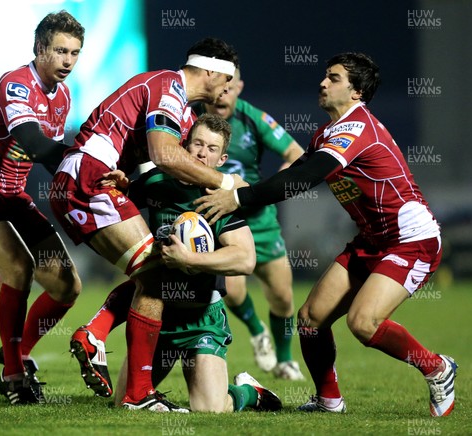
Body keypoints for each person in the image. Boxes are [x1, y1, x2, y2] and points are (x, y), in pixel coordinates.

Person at [194, 52, 457, 417]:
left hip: (412, 241)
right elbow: (293, 174)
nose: (322, 82)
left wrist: (239, 197)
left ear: (357, 92)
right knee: (311, 318)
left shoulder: (357, 127)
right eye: (325, 76)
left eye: (333, 78)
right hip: (372, 241)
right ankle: (329, 400)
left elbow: (305, 177)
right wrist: (240, 194)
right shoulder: (326, 133)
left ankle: (437, 368)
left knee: (363, 323)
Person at [49, 38, 244, 411]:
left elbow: (166, 162)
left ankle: (100, 342)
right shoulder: (168, 86)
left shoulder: (185, 113)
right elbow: (165, 155)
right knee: (156, 275)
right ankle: (126, 376)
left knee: (152, 274)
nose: (228, 89)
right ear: (211, 71)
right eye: (227, 79)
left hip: (87, 178)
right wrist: (227, 184)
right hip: (89, 174)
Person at [79, 114, 282, 412]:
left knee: (209, 408)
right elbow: (120, 210)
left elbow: (245, 258)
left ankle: (250, 391)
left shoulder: (219, 197)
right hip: (157, 315)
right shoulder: (156, 182)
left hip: (201, 318)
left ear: (222, 159)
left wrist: (190, 259)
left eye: (211, 149)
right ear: (184, 146)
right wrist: (121, 187)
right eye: (197, 143)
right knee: (125, 401)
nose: (202, 153)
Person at [0, 11, 85, 405]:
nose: (68, 61)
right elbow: (36, 143)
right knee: (19, 268)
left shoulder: (64, 95)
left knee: (66, 285)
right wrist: (87, 160)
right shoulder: (17, 85)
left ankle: (19, 350)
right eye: (60, 51)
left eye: (75, 53)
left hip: (12, 198)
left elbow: (48, 159)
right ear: (40, 49)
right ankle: (13, 376)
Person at [202, 68, 306, 379]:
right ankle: (257, 329)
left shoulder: (253, 118)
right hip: (221, 219)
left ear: (239, 87)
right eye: (219, 87)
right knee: (232, 291)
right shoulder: (192, 119)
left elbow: (296, 152)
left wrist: (271, 186)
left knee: (283, 296)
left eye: (230, 87)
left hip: (259, 219)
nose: (223, 94)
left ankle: (286, 359)